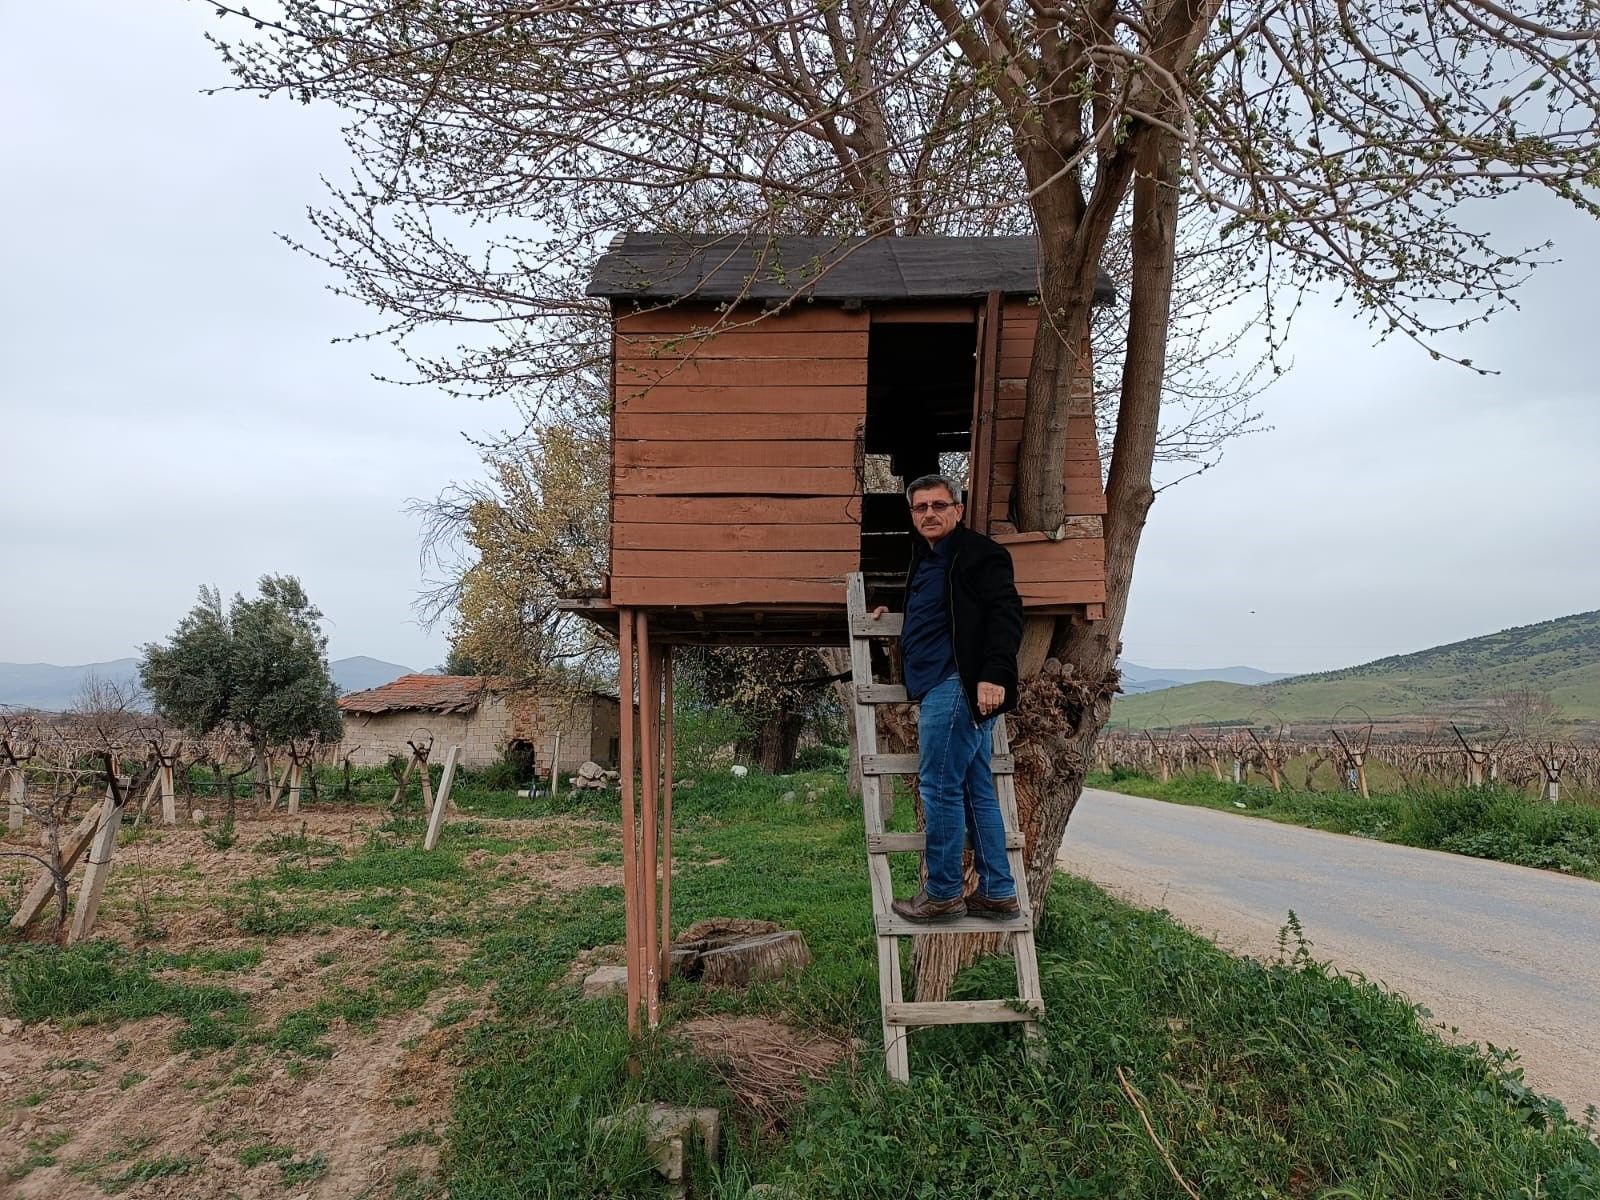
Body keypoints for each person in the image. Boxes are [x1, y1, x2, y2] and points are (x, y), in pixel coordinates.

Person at [875, 472, 1024, 922]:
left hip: (958, 685)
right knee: (977, 790)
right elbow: (940, 612)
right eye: (921, 508)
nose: (929, 514)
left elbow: (1006, 613)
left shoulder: (979, 553)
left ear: (957, 510)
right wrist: (888, 608)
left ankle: (942, 893)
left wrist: (994, 673)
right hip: (945, 687)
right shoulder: (926, 559)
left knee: (938, 788)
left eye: (939, 506)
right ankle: (997, 890)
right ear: (913, 515)